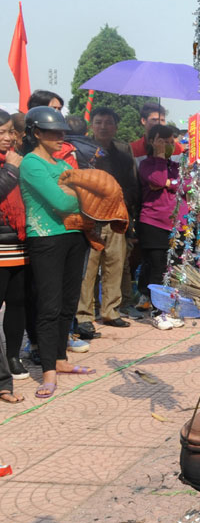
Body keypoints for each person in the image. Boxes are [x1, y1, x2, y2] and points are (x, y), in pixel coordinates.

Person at [18, 107, 97, 399]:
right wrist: (80, 194)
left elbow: (78, 196)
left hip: (74, 236)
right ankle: (48, 371)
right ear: (36, 133)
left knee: (68, 303)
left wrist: (75, 193)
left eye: (63, 132)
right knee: (49, 307)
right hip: (46, 238)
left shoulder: (60, 163)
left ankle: (61, 360)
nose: (61, 137)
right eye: (54, 132)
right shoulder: (32, 163)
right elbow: (61, 203)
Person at [75, 107, 138, 332]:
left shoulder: (122, 150)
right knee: (89, 268)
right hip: (90, 217)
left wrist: (121, 203)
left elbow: (132, 182)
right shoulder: (82, 150)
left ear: (115, 126)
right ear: (92, 125)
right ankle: (84, 315)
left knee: (114, 264)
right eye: (99, 122)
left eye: (108, 122)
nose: (103, 126)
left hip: (116, 217)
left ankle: (111, 311)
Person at [137, 124, 187, 331]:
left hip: (177, 225)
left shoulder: (175, 166)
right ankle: (158, 311)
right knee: (158, 269)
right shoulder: (147, 164)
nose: (166, 145)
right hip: (154, 223)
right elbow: (156, 179)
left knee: (174, 269)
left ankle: (170, 308)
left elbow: (187, 184)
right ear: (151, 142)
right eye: (161, 141)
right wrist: (159, 159)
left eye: (169, 142)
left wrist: (170, 182)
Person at [0, 110, 29, 389]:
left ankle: (13, 356)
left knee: (17, 303)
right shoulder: (11, 164)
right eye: (2, 132)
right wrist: (10, 169)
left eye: (11, 132)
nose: (9, 138)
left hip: (18, 243)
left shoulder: (17, 160)